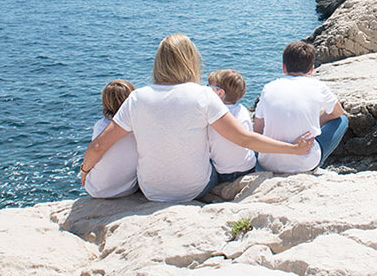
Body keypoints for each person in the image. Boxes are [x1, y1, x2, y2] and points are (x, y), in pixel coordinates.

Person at [79, 33, 314, 202]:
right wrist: (293, 149)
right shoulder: (203, 95)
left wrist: (86, 171)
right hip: (195, 188)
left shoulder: (137, 98)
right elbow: (244, 139)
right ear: (191, 61)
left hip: (151, 191)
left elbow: (99, 145)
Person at [254, 40, 348, 173]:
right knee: (342, 120)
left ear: (284, 67)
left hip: (268, 164)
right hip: (304, 163)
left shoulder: (268, 88)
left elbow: (257, 130)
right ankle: (313, 167)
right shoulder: (317, 86)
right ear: (311, 69)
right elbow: (338, 112)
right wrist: (315, 124)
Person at [83, 79, 139, 199]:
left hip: (98, 191)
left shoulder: (101, 125)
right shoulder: (139, 126)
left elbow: (96, 149)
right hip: (130, 188)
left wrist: (84, 171)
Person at [206, 69, 257, 183]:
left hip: (223, 173)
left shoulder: (212, 114)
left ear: (220, 93)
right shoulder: (243, 111)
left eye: (210, 87)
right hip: (248, 168)